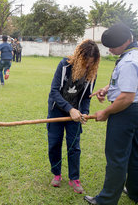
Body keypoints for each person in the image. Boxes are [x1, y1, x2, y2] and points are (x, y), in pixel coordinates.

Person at [84, 23, 138, 204]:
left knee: (116, 156)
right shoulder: (133, 55)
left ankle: (106, 200)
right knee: (134, 153)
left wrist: (106, 112)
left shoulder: (129, 62)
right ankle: (135, 191)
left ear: (127, 41)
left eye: (113, 47)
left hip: (126, 112)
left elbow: (127, 97)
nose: (110, 50)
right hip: (135, 111)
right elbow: (130, 84)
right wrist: (108, 88)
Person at [47, 39, 100, 194]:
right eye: (85, 62)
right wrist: (69, 109)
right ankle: (56, 174)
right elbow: (54, 91)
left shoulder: (91, 73)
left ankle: (74, 179)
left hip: (76, 114)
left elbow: (86, 97)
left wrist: (85, 112)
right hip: (57, 111)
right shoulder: (64, 66)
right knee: (54, 143)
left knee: (74, 146)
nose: (88, 66)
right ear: (78, 57)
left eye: (91, 63)